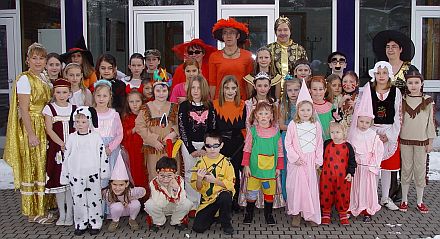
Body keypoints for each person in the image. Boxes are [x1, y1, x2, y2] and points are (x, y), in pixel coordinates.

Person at [4, 43, 54, 224]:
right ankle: (33, 212)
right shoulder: (25, 79)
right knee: (33, 166)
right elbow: (23, 109)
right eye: (34, 58)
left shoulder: (43, 77)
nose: (38, 61)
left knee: (42, 166)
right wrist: (31, 134)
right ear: (27, 60)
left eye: (41, 58)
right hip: (32, 124)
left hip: (44, 123)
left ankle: (42, 206)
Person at [373, 30, 419, 203]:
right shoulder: (381, 68)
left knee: (401, 153)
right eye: (387, 47)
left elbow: (416, 89)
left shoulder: (409, 69)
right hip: (386, 117)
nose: (390, 50)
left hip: (406, 115)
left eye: (394, 47)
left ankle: (400, 187)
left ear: (401, 49)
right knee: (387, 150)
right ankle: (389, 189)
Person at [61, 106, 109, 235]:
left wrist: (104, 172)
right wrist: (65, 175)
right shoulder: (71, 138)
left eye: (83, 122)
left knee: (95, 199)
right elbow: (66, 157)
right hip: (76, 175)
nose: (80, 125)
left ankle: (95, 222)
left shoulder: (95, 137)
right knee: (78, 200)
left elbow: (102, 155)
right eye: (77, 122)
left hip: (93, 174)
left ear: (89, 122)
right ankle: (81, 223)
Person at [284, 79, 323, 227]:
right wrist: (295, 158)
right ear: (297, 111)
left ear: (312, 110)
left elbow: (319, 144)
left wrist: (318, 161)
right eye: (302, 110)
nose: (305, 113)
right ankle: (296, 213)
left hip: (311, 161)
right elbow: (288, 143)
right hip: (298, 162)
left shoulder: (316, 125)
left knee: (310, 188)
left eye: (308, 110)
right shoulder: (293, 125)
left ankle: (310, 214)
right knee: (296, 188)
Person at [399, 71, 436, 214]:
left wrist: (430, 142)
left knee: (420, 171)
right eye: (410, 83)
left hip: (421, 141)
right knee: (406, 169)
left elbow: (430, 123)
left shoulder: (427, 100)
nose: (413, 86)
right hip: (405, 140)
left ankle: (420, 201)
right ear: (406, 84)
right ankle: (404, 200)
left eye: (416, 82)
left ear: (421, 84)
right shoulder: (402, 99)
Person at [178, 76, 215, 215]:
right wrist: (191, 149)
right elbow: (182, 128)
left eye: (198, 88)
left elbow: (212, 127)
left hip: (206, 146)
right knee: (190, 174)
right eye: (193, 87)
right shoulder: (184, 106)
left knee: (206, 173)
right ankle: (192, 205)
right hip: (189, 145)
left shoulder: (209, 106)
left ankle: (205, 202)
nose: (195, 90)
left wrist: (206, 147)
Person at [242, 101, 283, 225]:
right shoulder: (253, 131)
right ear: (256, 116)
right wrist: (246, 165)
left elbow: (280, 151)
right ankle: (249, 213)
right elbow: (247, 149)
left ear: (271, 116)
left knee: (269, 193)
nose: (264, 116)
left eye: (267, 113)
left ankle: (268, 215)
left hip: (270, 171)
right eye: (261, 113)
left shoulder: (276, 133)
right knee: (252, 193)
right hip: (254, 169)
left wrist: (278, 167)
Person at [348, 82, 384, 223]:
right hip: (356, 168)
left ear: (371, 122)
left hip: (367, 168)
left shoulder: (373, 136)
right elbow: (349, 151)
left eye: (366, 122)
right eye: (361, 121)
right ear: (357, 120)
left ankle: (367, 210)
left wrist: (373, 165)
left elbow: (377, 152)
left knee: (367, 190)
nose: (363, 124)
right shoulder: (353, 135)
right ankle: (351, 207)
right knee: (354, 189)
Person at [43, 79, 76, 226]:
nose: (61, 95)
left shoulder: (75, 108)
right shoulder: (49, 109)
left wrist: (70, 145)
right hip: (57, 150)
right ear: (54, 93)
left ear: (70, 93)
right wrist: (61, 143)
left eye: (64, 92)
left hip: (73, 150)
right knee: (58, 182)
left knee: (70, 184)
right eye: (58, 92)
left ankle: (70, 214)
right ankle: (61, 214)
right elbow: (49, 129)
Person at [369, 61, 402, 211]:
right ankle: (373, 197)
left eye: (384, 73)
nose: (381, 76)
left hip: (390, 132)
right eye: (378, 73)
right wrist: (373, 133)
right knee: (374, 166)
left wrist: (389, 135)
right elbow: (364, 112)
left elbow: (398, 115)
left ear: (389, 75)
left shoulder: (396, 92)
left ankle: (385, 197)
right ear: (374, 74)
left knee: (387, 168)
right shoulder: (368, 90)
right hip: (372, 132)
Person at [135, 72, 179, 180]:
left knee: (172, 175)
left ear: (168, 91)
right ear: (153, 91)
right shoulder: (146, 108)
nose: (161, 94)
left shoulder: (174, 107)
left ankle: (172, 196)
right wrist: (153, 140)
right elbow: (140, 126)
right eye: (158, 91)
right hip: (153, 149)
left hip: (170, 148)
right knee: (155, 174)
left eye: (164, 91)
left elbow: (180, 124)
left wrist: (173, 134)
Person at [191, 132, 236, 235]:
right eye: (208, 146)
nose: (212, 149)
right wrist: (199, 179)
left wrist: (214, 181)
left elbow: (231, 185)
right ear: (204, 145)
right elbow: (198, 188)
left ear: (221, 145)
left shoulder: (226, 163)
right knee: (198, 228)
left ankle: (226, 223)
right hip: (208, 201)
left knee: (225, 196)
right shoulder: (200, 163)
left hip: (221, 196)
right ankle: (215, 216)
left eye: (215, 146)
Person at [320, 122, 356, 225]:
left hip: (343, 178)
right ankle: (326, 213)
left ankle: (343, 213)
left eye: (337, 132)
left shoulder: (348, 146)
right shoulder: (327, 144)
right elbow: (321, 157)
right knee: (326, 194)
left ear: (344, 132)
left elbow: (352, 162)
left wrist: (350, 173)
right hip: (327, 177)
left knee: (343, 195)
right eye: (332, 132)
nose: (334, 134)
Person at [209, 18, 253, 99]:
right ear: (222, 36)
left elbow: (249, 83)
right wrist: (212, 103)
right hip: (220, 102)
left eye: (232, 32)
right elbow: (212, 83)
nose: (228, 36)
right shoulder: (214, 56)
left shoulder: (247, 56)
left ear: (238, 36)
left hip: (241, 101)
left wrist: (249, 102)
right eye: (225, 33)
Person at [145, 156, 192, 232]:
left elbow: (181, 199)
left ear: (175, 174)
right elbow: (158, 202)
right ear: (157, 173)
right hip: (161, 207)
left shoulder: (180, 180)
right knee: (149, 204)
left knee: (187, 203)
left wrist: (175, 189)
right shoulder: (154, 182)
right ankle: (159, 221)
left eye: (169, 175)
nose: (165, 179)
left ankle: (176, 221)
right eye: (162, 176)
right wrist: (166, 190)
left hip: (175, 206)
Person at [102, 154, 146, 232]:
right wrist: (121, 202)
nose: (117, 188)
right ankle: (115, 221)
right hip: (116, 212)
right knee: (117, 206)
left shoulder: (130, 191)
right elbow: (105, 199)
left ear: (127, 184)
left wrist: (129, 198)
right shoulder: (108, 192)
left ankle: (132, 219)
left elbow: (143, 191)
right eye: (114, 184)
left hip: (128, 210)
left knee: (136, 203)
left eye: (121, 185)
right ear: (110, 184)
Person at [93, 80, 123, 188]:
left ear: (110, 97)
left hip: (110, 151)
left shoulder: (114, 114)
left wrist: (110, 147)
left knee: (110, 177)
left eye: (104, 96)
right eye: (98, 95)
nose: (101, 99)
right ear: (94, 96)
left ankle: (109, 203)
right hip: (94, 150)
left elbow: (120, 134)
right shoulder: (90, 113)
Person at [121, 91, 149, 197]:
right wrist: (134, 129)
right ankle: (136, 197)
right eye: (131, 101)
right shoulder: (126, 117)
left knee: (146, 171)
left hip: (145, 147)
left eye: (137, 101)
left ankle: (147, 197)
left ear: (142, 101)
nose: (135, 104)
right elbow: (123, 135)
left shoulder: (146, 115)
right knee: (135, 172)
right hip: (132, 149)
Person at [279, 75, 301, 201]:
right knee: (287, 168)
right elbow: (281, 126)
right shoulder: (283, 106)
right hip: (287, 139)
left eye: (296, 90)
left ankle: (300, 197)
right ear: (285, 92)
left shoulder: (303, 105)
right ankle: (288, 198)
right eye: (290, 90)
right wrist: (296, 128)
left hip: (301, 140)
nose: (293, 93)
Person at [267, 16, 308, 82]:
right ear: (275, 32)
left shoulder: (299, 49)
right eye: (279, 30)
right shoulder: (268, 50)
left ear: (290, 31)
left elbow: (306, 72)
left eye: (285, 30)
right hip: (273, 89)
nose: (282, 33)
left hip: (295, 90)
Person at [310, 76, 334, 140]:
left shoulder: (330, 106)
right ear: (309, 90)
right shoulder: (308, 106)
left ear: (325, 90)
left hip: (328, 141)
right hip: (313, 141)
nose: (318, 92)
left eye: (320, 89)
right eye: (314, 89)